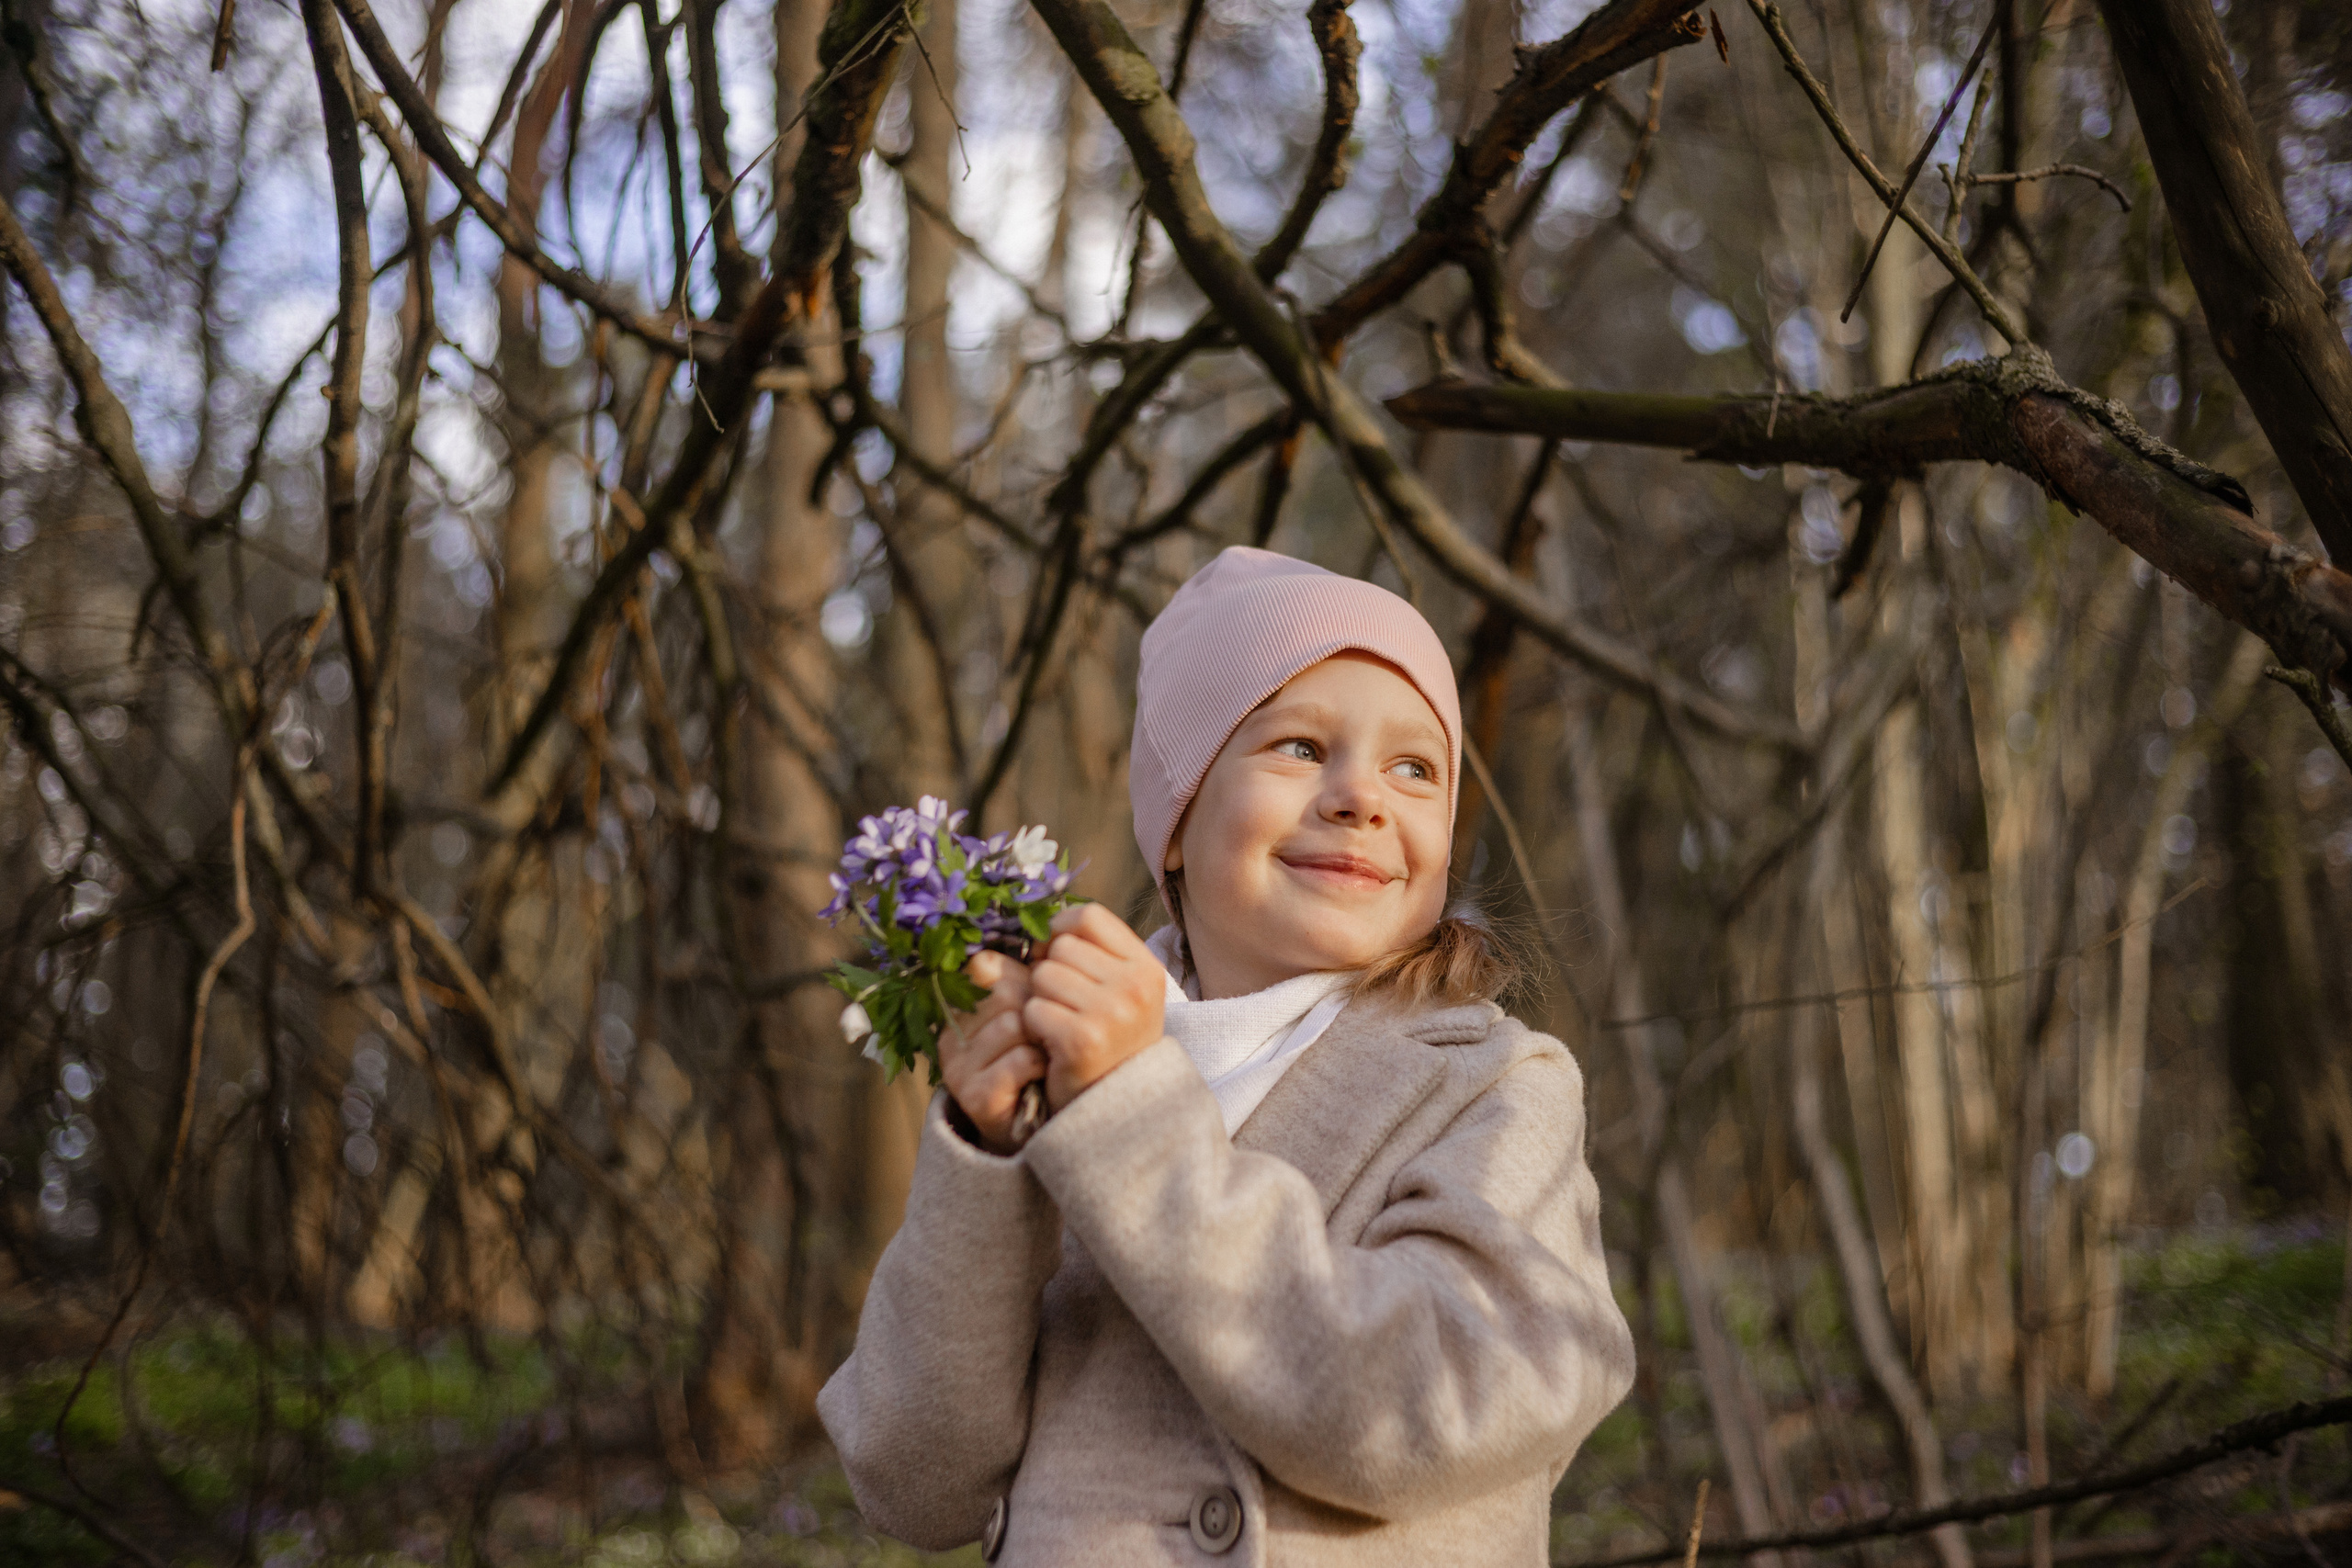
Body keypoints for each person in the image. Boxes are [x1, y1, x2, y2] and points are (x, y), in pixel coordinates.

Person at [818, 547, 1634, 1565]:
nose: (1360, 797)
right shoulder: (1063, 1073)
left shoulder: (1494, 1089)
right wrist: (982, 1162)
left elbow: (1439, 1407)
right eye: (1297, 747)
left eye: (1414, 767)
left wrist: (1129, 1123)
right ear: (1177, 821)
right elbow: (912, 1482)